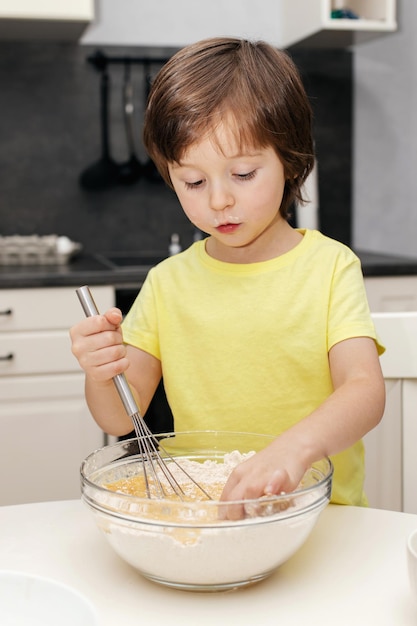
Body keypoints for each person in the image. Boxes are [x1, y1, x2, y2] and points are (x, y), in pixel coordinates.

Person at [70, 37, 385, 517]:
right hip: (206, 510)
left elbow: (364, 391)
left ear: (289, 158)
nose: (218, 200)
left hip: (321, 515)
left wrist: (292, 451)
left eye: (242, 174)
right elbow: (118, 415)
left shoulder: (328, 267)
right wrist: (100, 372)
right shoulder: (167, 283)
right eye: (193, 182)